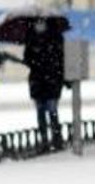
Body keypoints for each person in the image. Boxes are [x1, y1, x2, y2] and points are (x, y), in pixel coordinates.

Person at [23, 20, 66, 150]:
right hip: (43, 80)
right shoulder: (33, 38)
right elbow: (27, 58)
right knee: (45, 111)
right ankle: (49, 139)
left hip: (48, 80)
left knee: (49, 110)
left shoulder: (53, 38)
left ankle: (51, 139)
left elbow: (60, 59)